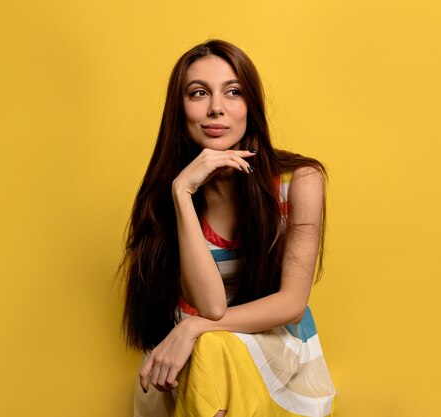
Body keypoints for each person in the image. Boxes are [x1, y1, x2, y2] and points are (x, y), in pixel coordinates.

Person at [121, 39, 336, 417]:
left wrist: (192, 329)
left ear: (250, 105)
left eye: (232, 92)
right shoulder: (169, 194)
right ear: (179, 109)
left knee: (209, 348)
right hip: (190, 364)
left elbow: (292, 303)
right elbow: (212, 307)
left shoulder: (299, 180)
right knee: (208, 354)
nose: (216, 108)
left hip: (274, 356)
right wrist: (183, 193)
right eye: (198, 93)